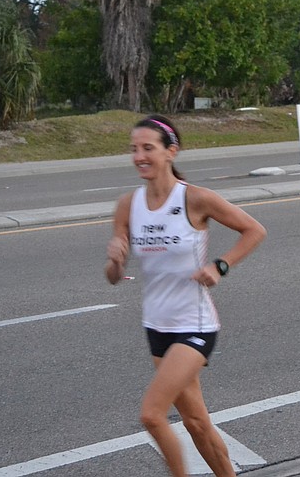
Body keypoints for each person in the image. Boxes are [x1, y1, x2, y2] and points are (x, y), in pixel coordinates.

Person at [105, 115, 267, 477]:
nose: (139, 156)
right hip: (156, 326)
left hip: (194, 325)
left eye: (148, 148)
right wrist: (115, 260)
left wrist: (220, 266)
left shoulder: (195, 198)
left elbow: (254, 230)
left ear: (170, 151)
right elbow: (114, 277)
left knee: (151, 414)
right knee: (195, 421)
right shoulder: (129, 206)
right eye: (134, 149)